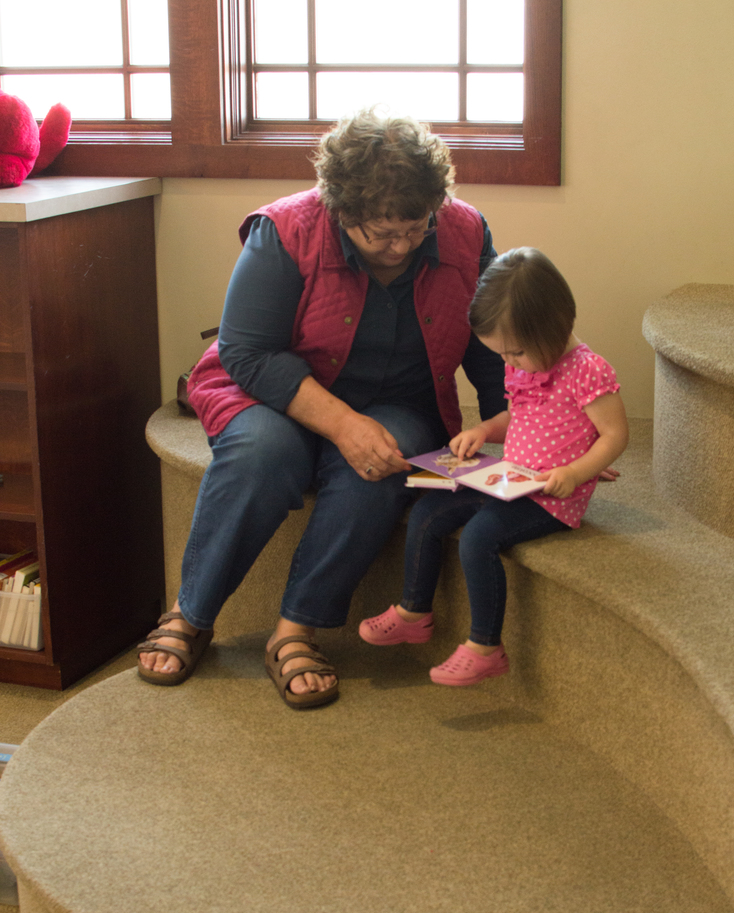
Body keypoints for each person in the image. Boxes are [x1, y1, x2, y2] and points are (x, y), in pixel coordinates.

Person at [137, 109, 507, 707]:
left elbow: (493, 343)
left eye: (415, 230)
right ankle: (192, 611)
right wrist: (340, 423)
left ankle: (296, 628)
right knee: (262, 452)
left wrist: (515, 423)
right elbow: (247, 352)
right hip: (271, 389)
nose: (401, 247)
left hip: (400, 399)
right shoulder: (285, 229)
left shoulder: (466, 230)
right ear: (340, 210)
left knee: (381, 464)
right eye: (381, 234)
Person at [358, 247, 629, 686]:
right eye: (501, 354)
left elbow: (615, 435)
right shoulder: (522, 365)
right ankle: (414, 611)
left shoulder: (588, 371)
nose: (509, 363)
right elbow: (520, 417)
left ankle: (485, 646)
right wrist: (483, 431)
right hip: (512, 476)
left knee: (480, 536)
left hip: (552, 497)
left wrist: (577, 472)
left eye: (516, 352)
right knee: (428, 510)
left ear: (555, 327)